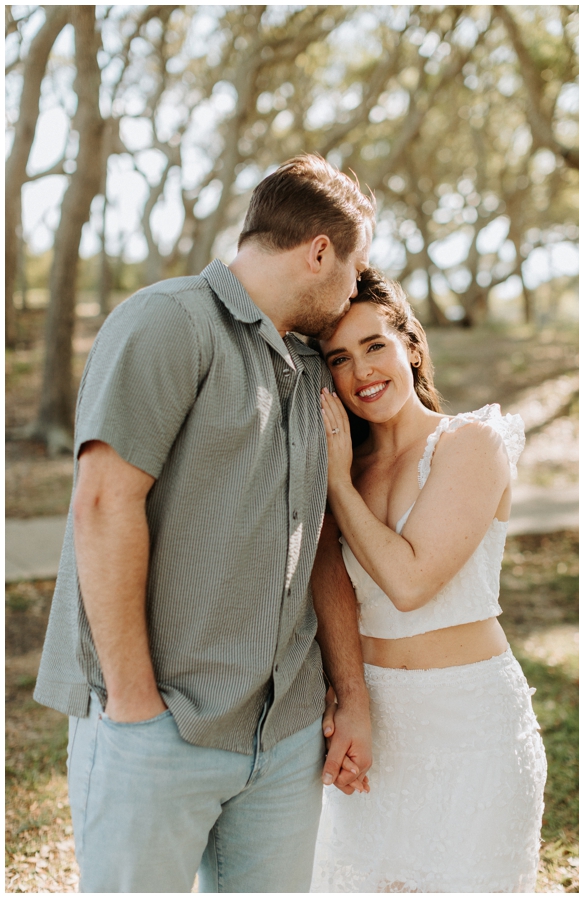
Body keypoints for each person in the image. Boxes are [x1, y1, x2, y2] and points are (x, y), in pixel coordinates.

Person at [34, 154, 376, 891]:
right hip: (158, 727)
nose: (355, 288)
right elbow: (103, 503)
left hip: (283, 739)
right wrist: (134, 706)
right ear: (320, 251)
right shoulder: (169, 321)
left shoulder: (312, 367)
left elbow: (318, 540)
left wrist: (349, 695)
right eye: (355, 266)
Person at [308, 270, 547, 892]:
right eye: (340, 359)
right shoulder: (345, 462)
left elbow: (411, 583)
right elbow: (325, 585)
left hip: (472, 730)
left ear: (410, 345)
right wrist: (344, 697)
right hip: (373, 725)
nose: (362, 373)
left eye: (374, 346)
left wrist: (336, 485)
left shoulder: (471, 442)